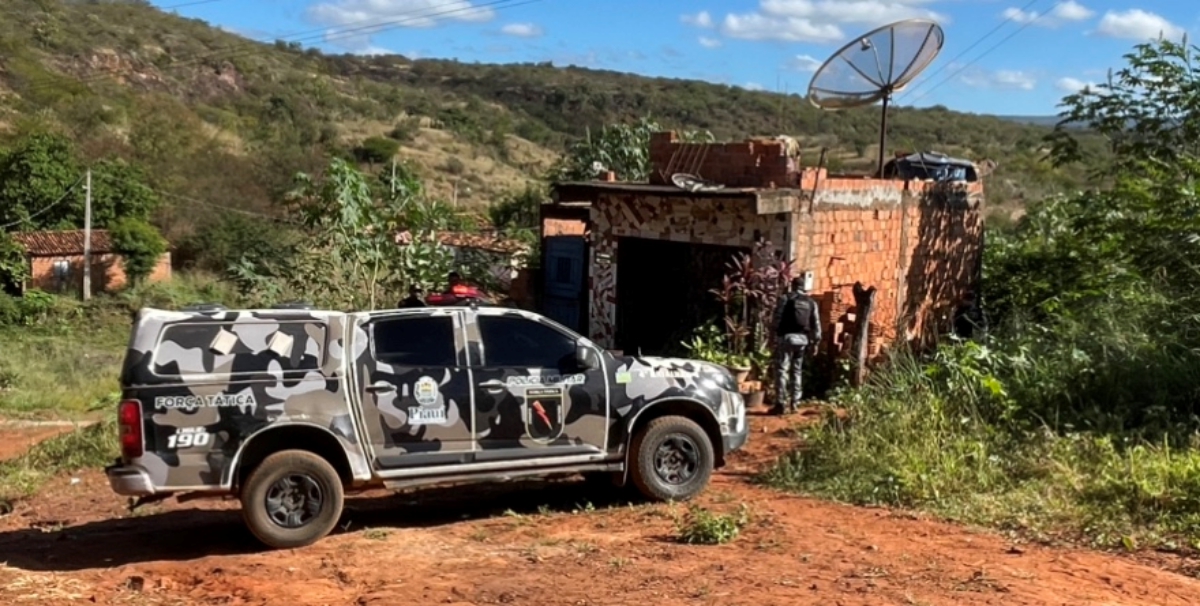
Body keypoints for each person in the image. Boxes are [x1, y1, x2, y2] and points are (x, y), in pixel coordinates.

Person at [771, 276, 821, 415]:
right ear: (803, 287)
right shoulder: (811, 303)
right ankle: (795, 403)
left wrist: (772, 337)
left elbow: (776, 320)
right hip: (802, 341)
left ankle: (780, 403)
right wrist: (815, 343)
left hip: (786, 339)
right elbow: (816, 325)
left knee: (782, 370)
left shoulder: (785, 299)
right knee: (797, 370)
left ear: (792, 286)